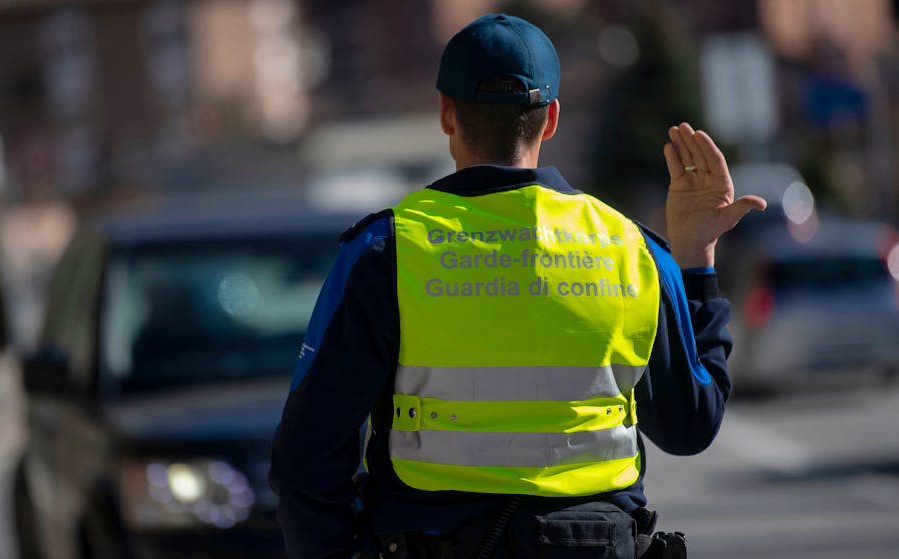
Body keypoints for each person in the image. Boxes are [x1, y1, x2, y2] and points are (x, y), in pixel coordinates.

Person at [270, 13, 766, 559]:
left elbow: (306, 464)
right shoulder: (635, 251)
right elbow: (691, 424)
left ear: (445, 113)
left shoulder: (387, 252)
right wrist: (696, 261)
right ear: (550, 118)